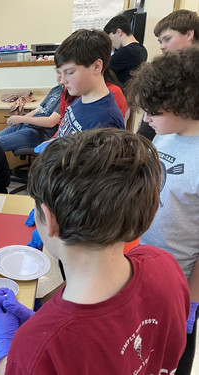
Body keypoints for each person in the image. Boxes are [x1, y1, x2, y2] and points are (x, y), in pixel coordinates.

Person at [0, 128, 189, 374]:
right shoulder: (164, 263)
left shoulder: (37, 346)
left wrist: (5, 353)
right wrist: (43, 324)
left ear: (48, 219)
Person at [126, 46, 199, 375]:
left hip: (180, 281)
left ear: (182, 104)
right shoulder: (164, 135)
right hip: (144, 261)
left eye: (152, 112)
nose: (147, 120)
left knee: (171, 362)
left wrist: (192, 301)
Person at [34, 29, 125, 153]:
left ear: (97, 66)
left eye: (70, 72)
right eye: (60, 73)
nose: (63, 80)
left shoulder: (106, 120)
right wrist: (53, 142)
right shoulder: (79, 101)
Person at [137, 9, 199, 141]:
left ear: (189, 34)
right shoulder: (162, 73)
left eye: (167, 39)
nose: (162, 47)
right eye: (160, 42)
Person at [0, 71, 62, 152]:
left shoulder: (69, 96)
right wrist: (19, 119)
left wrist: (22, 119)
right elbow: (38, 109)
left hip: (41, 132)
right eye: (58, 72)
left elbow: (51, 122)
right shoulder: (56, 89)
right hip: (28, 124)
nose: (59, 76)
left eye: (64, 72)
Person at [103, 15, 148, 85]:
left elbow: (100, 69)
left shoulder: (126, 52)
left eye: (110, 38)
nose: (111, 43)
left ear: (119, 32)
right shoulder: (142, 50)